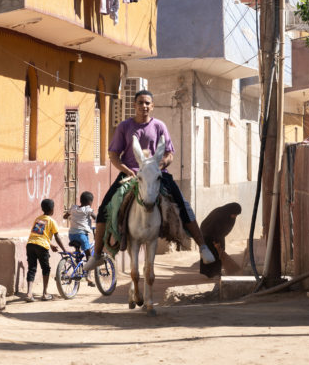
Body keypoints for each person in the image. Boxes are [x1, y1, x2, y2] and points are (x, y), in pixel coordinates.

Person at [85, 90, 216, 271]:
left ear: (152, 106)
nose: (144, 106)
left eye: (147, 103)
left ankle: (202, 247)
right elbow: (114, 155)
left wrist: (160, 165)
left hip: (156, 173)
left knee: (183, 204)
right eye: (140, 103)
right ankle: (97, 255)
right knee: (104, 208)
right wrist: (126, 171)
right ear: (134, 105)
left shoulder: (159, 126)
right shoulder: (124, 127)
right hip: (131, 174)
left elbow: (170, 153)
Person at [25, 198, 68, 302]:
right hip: (42, 246)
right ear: (52, 209)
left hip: (30, 244)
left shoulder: (38, 219)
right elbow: (57, 237)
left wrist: (51, 245)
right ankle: (45, 293)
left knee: (32, 268)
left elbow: (39, 235)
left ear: (42, 208)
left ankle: (29, 294)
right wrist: (64, 249)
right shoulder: (52, 221)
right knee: (46, 269)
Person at [199, 202, 243, 278]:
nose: (235, 216)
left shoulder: (231, 216)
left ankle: (217, 272)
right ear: (231, 210)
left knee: (220, 251)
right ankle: (209, 273)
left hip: (219, 234)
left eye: (236, 215)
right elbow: (212, 227)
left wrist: (219, 241)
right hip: (207, 232)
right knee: (211, 251)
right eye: (234, 214)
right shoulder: (219, 213)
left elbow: (227, 229)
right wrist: (215, 241)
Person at [63, 190, 96, 258]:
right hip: (81, 235)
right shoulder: (87, 209)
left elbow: (65, 216)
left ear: (80, 200)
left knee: (78, 251)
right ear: (89, 202)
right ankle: (88, 268)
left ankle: (77, 262)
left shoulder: (73, 208)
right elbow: (95, 217)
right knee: (88, 253)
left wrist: (72, 216)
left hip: (71, 235)